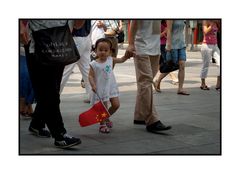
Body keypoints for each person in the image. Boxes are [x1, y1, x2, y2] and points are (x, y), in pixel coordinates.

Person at [26, 20, 84, 148]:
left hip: (60, 42)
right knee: (49, 92)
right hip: (38, 44)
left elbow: (78, 24)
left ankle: (37, 124)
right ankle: (59, 135)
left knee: (51, 90)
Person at [127, 20, 171, 133]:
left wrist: (169, 41)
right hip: (141, 47)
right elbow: (134, 22)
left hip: (155, 48)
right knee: (146, 83)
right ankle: (152, 121)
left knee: (145, 83)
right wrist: (131, 44)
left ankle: (140, 115)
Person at [88, 38, 132, 133]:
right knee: (103, 107)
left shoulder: (111, 59)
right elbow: (90, 76)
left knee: (116, 105)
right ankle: (102, 124)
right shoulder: (94, 64)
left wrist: (127, 56)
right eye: (100, 50)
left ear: (110, 51)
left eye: (106, 50)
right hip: (101, 88)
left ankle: (106, 117)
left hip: (111, 87)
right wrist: (93, 85)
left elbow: (122, 59)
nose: (103, 52)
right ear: (95, 50)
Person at [60, 20, 92, 103]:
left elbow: (78, 24)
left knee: (65, 71)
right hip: (85, 37)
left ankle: (53, 98)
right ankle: (94, 97)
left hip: (76, 37)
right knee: (87, 70)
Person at [154, 20, 189, 95]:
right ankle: (158, 80)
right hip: (173, 45)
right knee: (171, 66)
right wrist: (169, 44)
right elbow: (169, 30)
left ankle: (180, 89)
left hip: (181, 44)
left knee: (182, 65)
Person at [154, 20, 178, 92]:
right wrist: (165, 31)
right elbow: (157, 37)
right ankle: (158, 81)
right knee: (168, 64)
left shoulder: (168, 22)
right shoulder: (158, 24)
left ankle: (157, 81)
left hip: (170, 44)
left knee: (165, 64)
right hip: (162, 45)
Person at [20, 20, 34, 118]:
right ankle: (25, 102)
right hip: (24, 49)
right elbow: (21, 33)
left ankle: (28, 103)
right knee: (25, 75)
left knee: (31, 78)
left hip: (32, 48)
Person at [200, 20, 220, 91]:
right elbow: (205, 32)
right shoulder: (206, 21)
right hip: (206, 45)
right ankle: (203, 83)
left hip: (215, 45)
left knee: (220, 64)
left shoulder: (217, 21)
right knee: (206, 65)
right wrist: (211, 25)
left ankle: (218, 83)